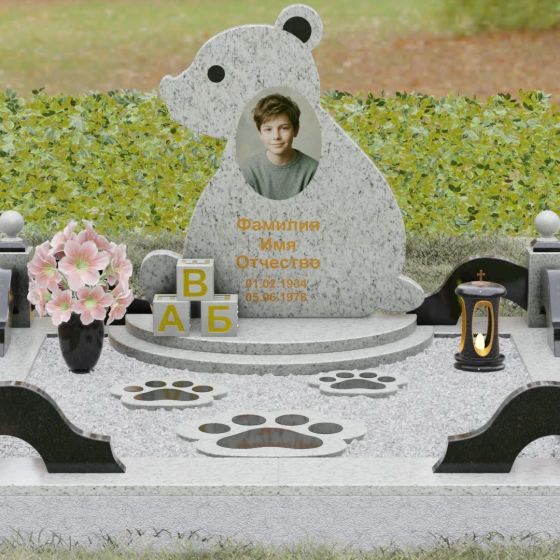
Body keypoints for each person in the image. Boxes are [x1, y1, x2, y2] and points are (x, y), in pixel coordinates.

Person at [240, 94, 318, 200]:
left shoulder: (312, 170)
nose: (276, 136)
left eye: (284, 128)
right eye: (268, 129)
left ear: (296, 130)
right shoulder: (249, 171)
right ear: (260, 133)